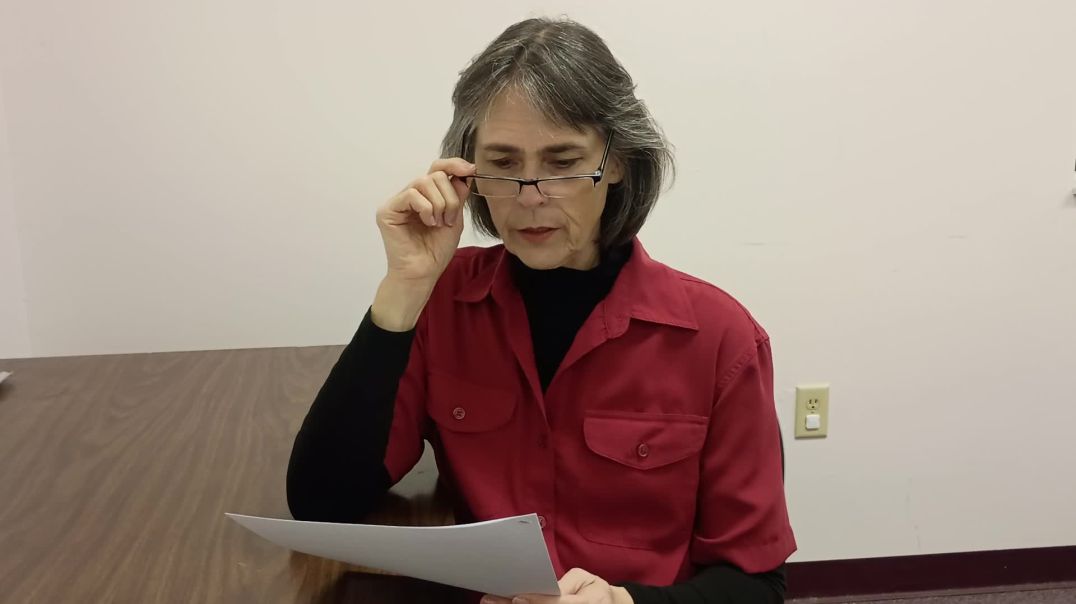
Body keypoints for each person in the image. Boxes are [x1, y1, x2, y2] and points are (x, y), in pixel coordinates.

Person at [287, 17, 796, 604]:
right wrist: (403, 286)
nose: (530, 197)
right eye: (503, 164)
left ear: (618, 162)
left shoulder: (720, 338)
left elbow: (756, 584)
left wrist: (623, 602)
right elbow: (322, 500)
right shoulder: (443, 302)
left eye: (562, 162)